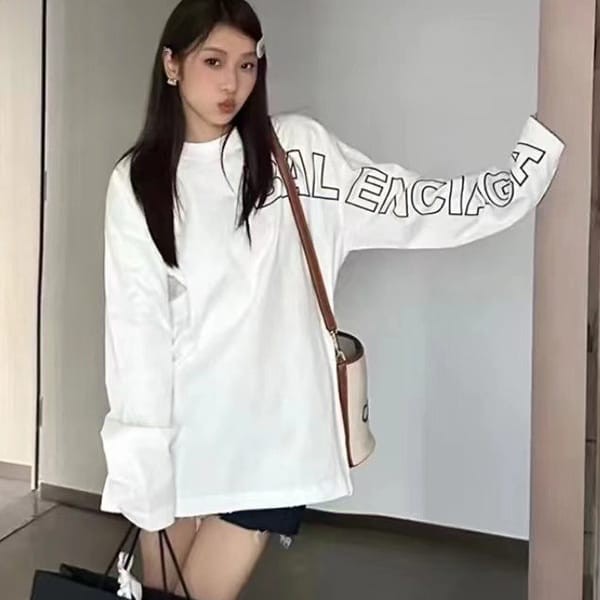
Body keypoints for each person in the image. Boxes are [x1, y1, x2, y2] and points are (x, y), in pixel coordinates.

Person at [98, 0, 564, 598]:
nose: (232, 82)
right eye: (213, 61)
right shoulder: (139, 181)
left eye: (247, 64)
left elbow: (415, 208)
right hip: (179, 437)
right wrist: (141, 463)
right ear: (172, 64)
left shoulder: (297, 152)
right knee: (160, 593)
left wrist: (527, 172)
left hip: (275, 437)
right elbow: (135, 331)